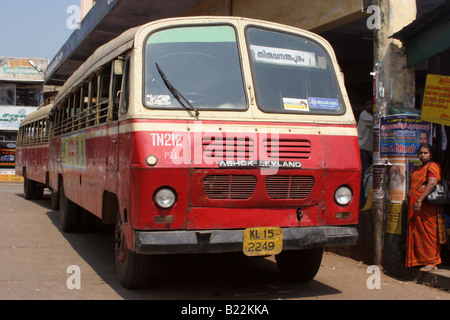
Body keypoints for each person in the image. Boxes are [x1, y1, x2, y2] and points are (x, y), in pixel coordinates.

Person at [406, 144, 442, 272]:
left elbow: (432, 183)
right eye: (421, 153)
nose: (422, 155)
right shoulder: (417, 169)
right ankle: (420, 260)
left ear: (430, 154)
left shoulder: (433, 166)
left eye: (425, 153)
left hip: (425, 206)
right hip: (415, 207)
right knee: (418, 233)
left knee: (429, 232)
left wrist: (419, 200)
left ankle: (432, 262)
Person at [357, 98, 374, 208]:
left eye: (371, 103)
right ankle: (362, 201)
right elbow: (376, 121)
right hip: (362, 149)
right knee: (363, 175)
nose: (370, 106)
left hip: (368, 150)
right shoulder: (364, 115)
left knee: (367, 174)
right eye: (367, 104)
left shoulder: (367, 115)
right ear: (363, 106)